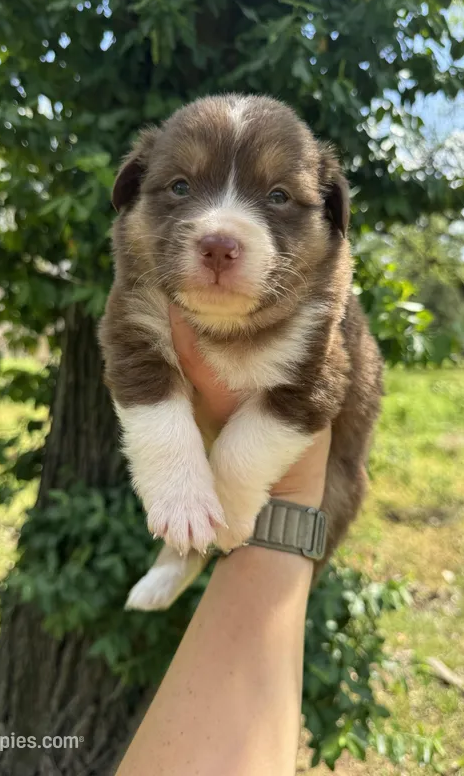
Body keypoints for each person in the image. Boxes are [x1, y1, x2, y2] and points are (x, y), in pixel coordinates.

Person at [116, 306, 332, 776]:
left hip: (310, 463)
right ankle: (179, 556)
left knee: (238, 495)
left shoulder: (315, 299)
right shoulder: (145, 285)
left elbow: (313, 392)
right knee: (188, 499)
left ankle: (187, 555)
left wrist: (257, 494)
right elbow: (134, 361)